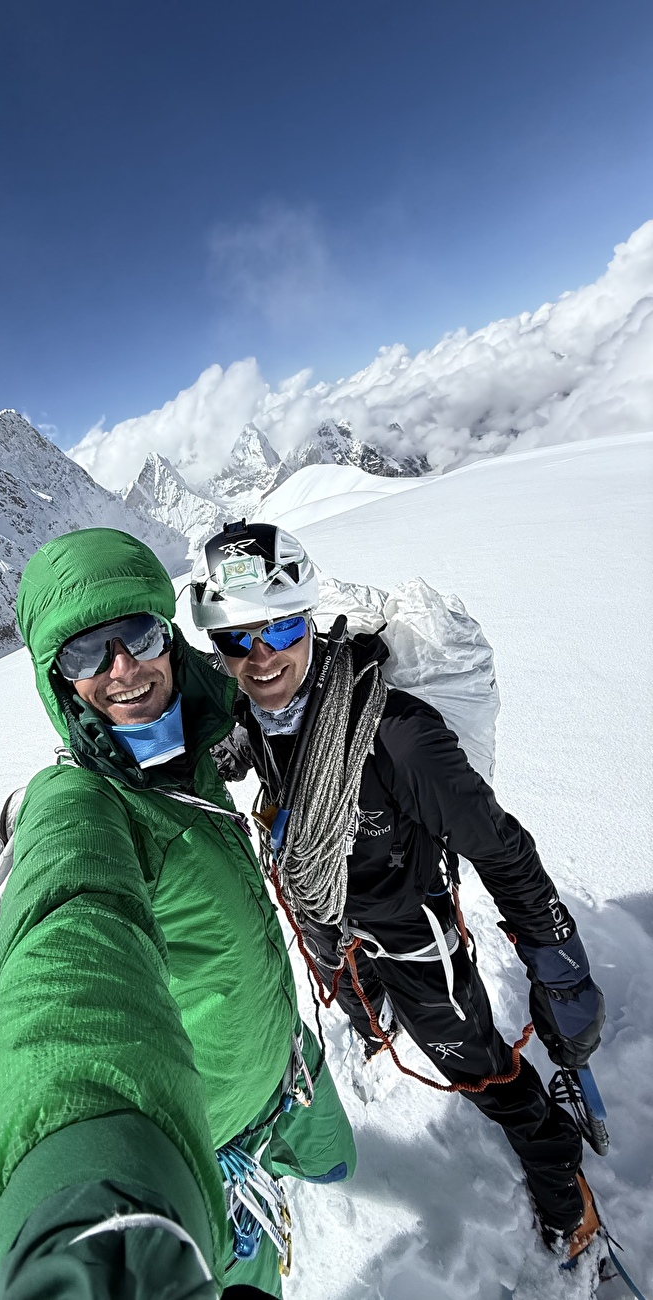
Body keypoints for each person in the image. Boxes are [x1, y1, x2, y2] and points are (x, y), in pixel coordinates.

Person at [0, 527, 356, 1300]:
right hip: (204, 1137)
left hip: (284, 1063)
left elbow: (273, 689)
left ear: (169, 640)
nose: (120, 668)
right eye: (84, 654)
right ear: (57, 682)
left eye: (135, 634)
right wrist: (74, 1198)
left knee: (338, 1164)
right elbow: (66, 953)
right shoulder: (82, 805)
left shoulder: (189, 744)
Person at [190, 519, 606, 1267]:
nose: (260, 657)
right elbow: (225, 750)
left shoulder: (397, 738)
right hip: (328, 922)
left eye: (281, 626)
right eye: (235, 640)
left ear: (309, 615)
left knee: (477, 1065)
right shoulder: (258, 720)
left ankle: (560, 1181)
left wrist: (555, 957)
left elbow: (500, 849)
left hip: (411, 937)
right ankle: (374, 1020)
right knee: (354, 995)